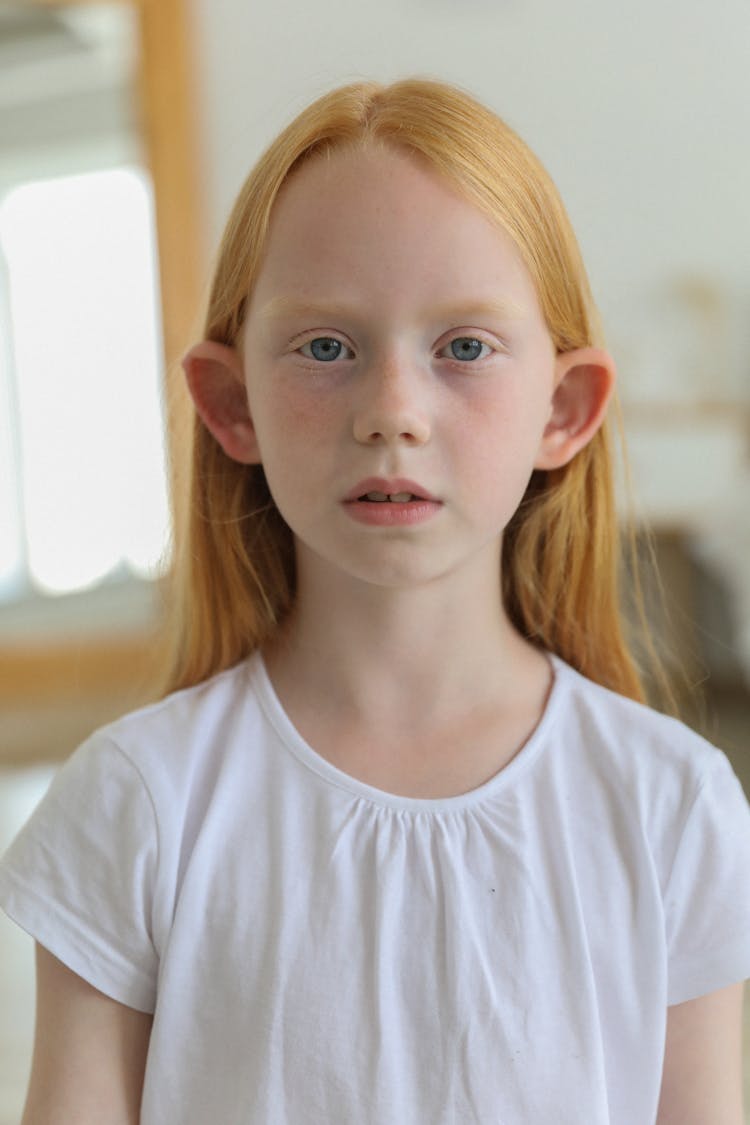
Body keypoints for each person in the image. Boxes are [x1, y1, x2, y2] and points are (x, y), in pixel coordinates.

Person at [1, 78, 748, 1125]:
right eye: (325, 348)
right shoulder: (136, 808)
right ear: (231, 403)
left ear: (564, 410)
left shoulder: (675, 809)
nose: (392, 413)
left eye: (465, 348)